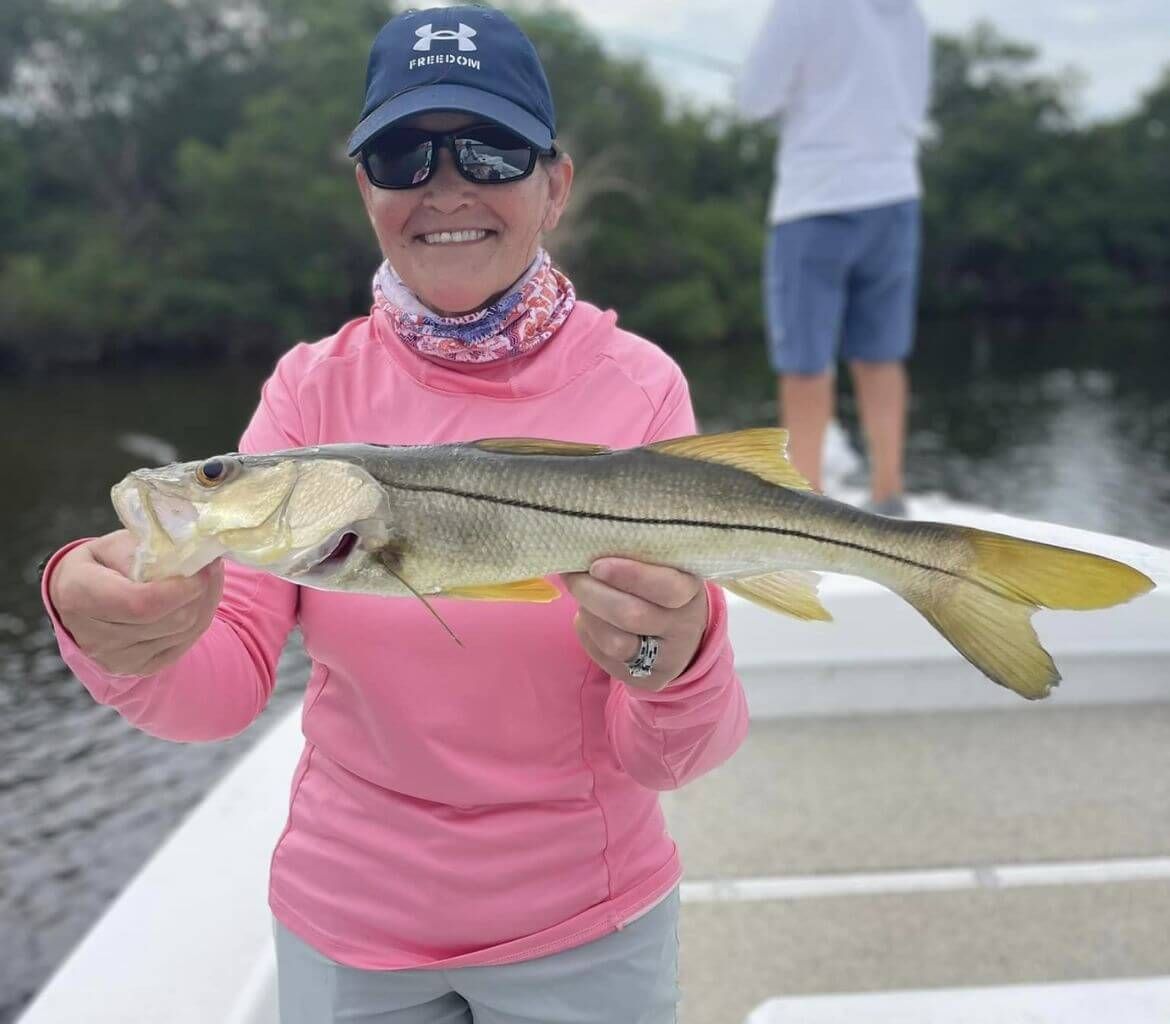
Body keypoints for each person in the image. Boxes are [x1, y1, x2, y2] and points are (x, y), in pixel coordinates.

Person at [40, 7, 748, 1023]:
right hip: (350, 922)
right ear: (365, 189)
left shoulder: (639, 390)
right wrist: (116, 632)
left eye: (491, 149)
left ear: (556, 185)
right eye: (403, 155)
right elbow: (219, 690)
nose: (446, 185)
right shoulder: (307, 391)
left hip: (587, 920)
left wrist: (670, 658)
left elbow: (675, 751)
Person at [737, 0, 932, 515]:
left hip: (815, 203)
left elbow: (753, 99)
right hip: (895, 197)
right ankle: (889, 492)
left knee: (805, 362)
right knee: (882, 355)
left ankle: (807, 502)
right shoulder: (907, 13)